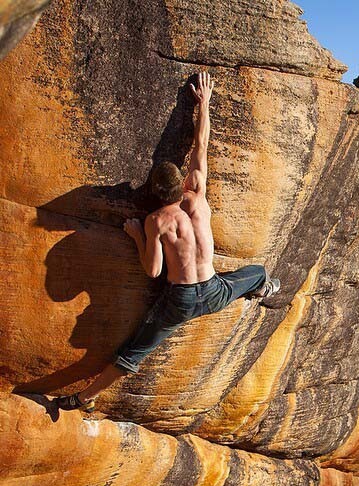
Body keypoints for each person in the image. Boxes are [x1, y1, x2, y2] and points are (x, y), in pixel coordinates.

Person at [55, 71, 279, 412]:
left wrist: (136, 235)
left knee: (134, 352)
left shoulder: (156, 221)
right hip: (216, 292)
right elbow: (200, 145)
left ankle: (83, 398)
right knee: (258, 272)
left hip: (182, 300)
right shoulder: (198, 195)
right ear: (182, 183)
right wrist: (204, 103)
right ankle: (262, 288)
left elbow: (152, 269)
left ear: (155, 194)